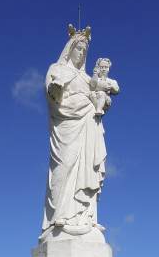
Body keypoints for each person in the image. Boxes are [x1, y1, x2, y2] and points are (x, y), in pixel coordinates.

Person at [41, 25, 110, 236]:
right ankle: (57, 217)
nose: (81, 54)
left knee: (88, 167)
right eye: (78, 49)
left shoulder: (87, 78)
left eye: (84, 51)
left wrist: (103, 101)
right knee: (64, 166)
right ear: (70, 49)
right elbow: (54, 98)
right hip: (67, 127)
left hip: (88, 127)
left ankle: (87, 217)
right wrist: (57, 91)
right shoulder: (57, 69)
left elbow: (101, 96)